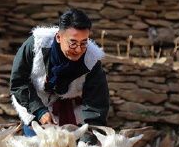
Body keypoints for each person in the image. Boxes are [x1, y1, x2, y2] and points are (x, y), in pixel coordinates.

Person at [10, 8, 109, 137]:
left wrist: (88, 137)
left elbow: (96, 103)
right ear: (58, 37)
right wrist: (39, 111)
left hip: (72, 111)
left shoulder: (92, 60)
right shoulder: (35, 46)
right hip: (35, 103)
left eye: (84, 43)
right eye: (73, 43)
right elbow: (19, 83)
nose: (78, 49)